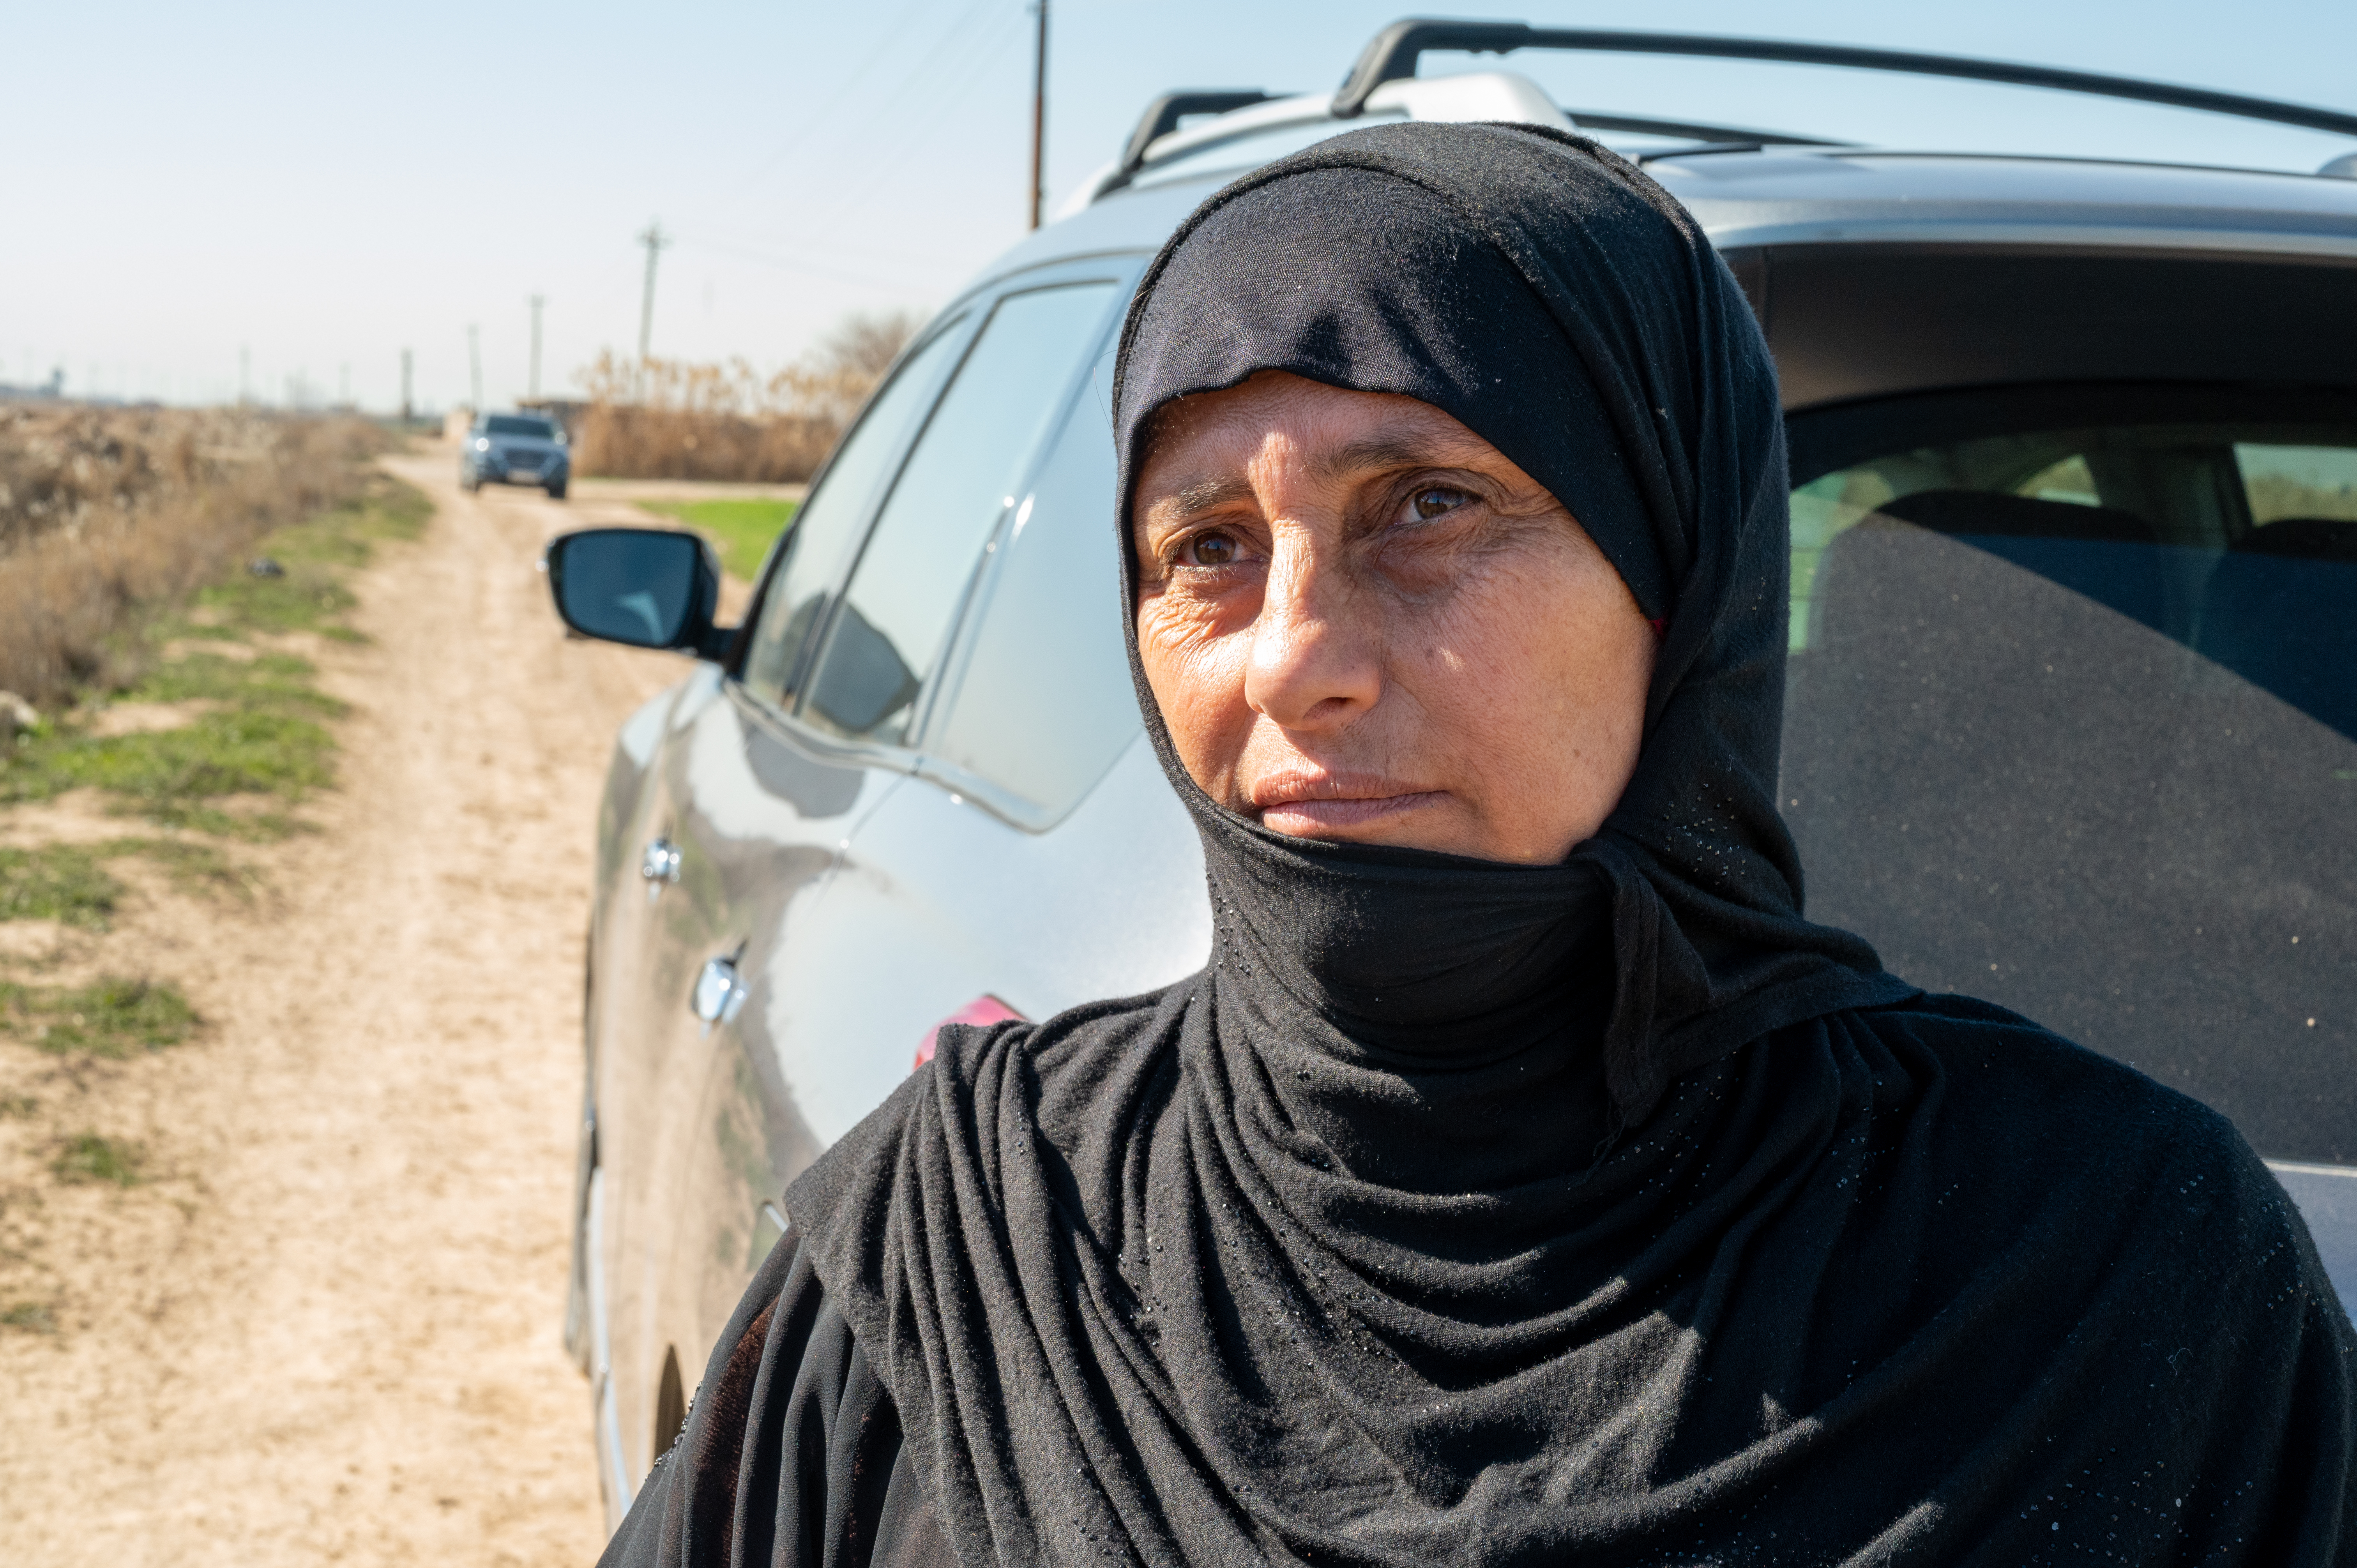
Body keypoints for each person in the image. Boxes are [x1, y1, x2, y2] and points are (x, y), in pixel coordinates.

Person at [601, 121, 2354, 1568]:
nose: (1294, 654)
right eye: (1205, 547)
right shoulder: (979, 1239)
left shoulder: (2106, 1278)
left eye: (1428, 507)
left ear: (1683, 590)